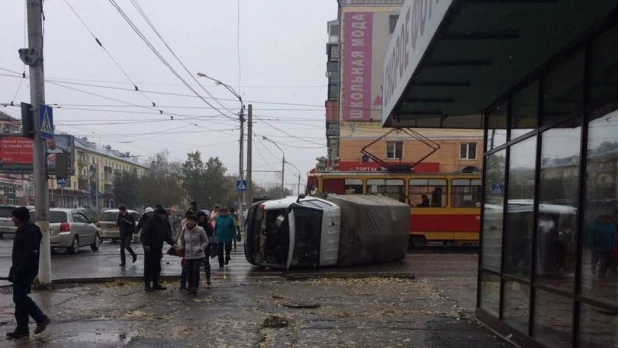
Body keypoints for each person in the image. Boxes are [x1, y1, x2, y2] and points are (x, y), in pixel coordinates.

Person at [6, 207, 51, 339]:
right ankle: (22, 329)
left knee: (21, 298)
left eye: (14, 217)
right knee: (18, 299)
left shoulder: (30, 231)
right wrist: (12, 272)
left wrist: (18, 273)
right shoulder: (22, 230)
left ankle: (41, 319)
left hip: (26, 271)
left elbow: (30, 255)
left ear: (19, 218)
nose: (12, 219)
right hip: (19, 270)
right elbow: (17, 256)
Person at [141, 207, 177, 292]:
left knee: (157, 266)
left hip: (158, 247)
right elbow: (144, 234)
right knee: (149, 266)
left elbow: (166, 235)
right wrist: (146, 245)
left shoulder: (162, 222)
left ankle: (156, 283)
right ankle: (147, 284)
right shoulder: (150, 221)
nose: (165, 217)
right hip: (149, 247)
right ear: (161, 214)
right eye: (165, 215)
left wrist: (173, 243)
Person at [178, 213, 208, 295]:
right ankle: (190, 286)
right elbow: (180, 239)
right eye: (188, 220)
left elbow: (205, 241)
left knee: (195, 269)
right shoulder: (185, 229)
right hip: (187, 254)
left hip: (198, 254)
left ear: (195, 221)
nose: (190, 222)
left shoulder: (200, 230)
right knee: (189, 270)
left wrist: (201, 248)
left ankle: (195, 287)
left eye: (191, 221)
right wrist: (181, 246)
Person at [198, 210, 216, 286]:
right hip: (196, 247)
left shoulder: (208, 225)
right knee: (196, 265)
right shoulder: (196, 225)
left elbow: (211, 234)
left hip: (206, 247)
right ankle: (196, 280)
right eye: (200, 218)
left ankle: (208, 278)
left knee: (206, 263)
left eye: (203, 218)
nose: (202, 219)